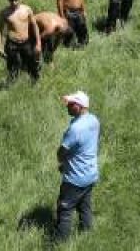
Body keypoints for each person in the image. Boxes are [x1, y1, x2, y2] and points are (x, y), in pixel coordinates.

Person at [53, 91, 100, 243]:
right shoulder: (94, 120)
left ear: (79, 107)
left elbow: (61, 152)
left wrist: (62, 163)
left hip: (75, 179)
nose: (67, 105)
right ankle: (87, 236)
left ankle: (59, 244)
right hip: (91, 174)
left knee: (65, 211)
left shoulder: (75, 129)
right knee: (84, 207)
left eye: (71, 104)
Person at [0, 0, 41, 84]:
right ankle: (11, 86)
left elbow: (34, 26)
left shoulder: (27, 10)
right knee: (13, 66)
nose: (14, 3)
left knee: (32, 64)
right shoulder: (4, 13)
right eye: (11, 1)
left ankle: (34, 83)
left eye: (16, 0)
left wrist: (38, 43)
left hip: (26, 42)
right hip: (12, 44)